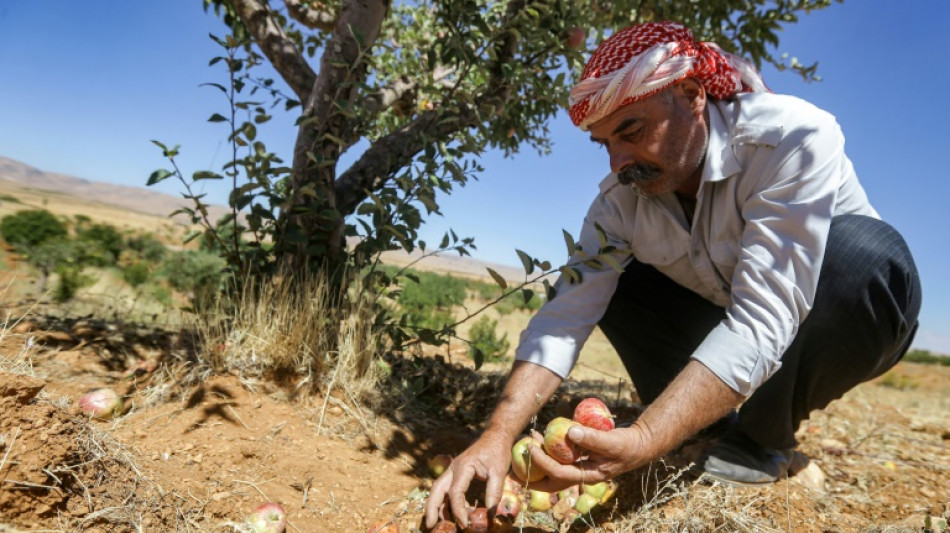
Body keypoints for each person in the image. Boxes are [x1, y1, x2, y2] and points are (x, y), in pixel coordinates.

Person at [424, 21, 921, 530]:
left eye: (632, 131)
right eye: (605, 144)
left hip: (851, 309)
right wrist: (499, 434)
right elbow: (564, 316)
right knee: (612, 278)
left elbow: (766, 315)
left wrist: (643, 439)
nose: (619, 162)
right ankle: (703, 426)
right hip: (724, 314)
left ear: (691, 96)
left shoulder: (789, 139)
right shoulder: (617, 205)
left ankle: (761, 441)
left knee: (861, 256)